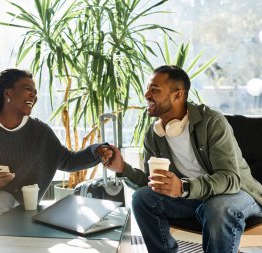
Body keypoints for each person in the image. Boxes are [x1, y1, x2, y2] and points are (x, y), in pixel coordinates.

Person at [0, 68, 113, 246]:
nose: (33, 96)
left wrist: (96, 150)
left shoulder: (40, 132)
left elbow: (68, 160)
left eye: (35, 92)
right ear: (8, 93)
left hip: (8, 194)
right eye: (27, 89)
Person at [105, 65, 262, 253]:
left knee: (217, 209)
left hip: (236, 194)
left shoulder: (212, 122)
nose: (146, 94)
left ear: (178, 95)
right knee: (142, 199)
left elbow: (230, 179)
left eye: (154, 90)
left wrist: (183, 187)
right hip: (191, 197)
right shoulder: (155, 135)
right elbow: (153, 184)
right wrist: (122, 168)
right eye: (147, 89)